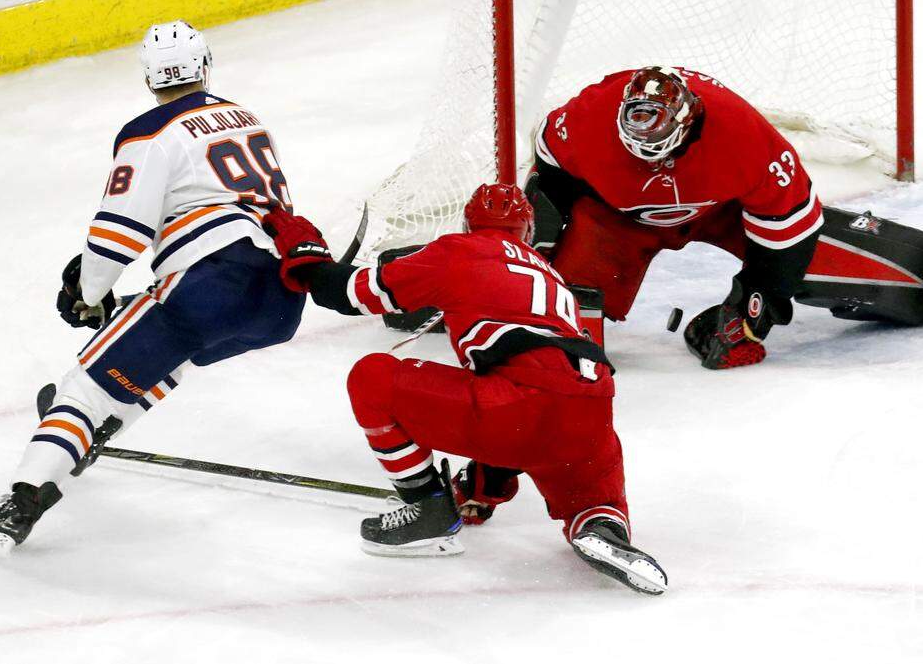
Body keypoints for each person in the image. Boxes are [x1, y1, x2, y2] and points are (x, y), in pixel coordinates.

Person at [0, 20, 305, 554]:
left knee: (82, 387)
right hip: (279, 296)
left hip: (211, 284)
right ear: (206, 65)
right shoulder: (247, 118)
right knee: (170, 343)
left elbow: (119, 234)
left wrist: (89, 294)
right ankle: (103, 425)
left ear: (149, 77)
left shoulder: (149, 133)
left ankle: (14, 509)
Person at [262, 183, 668, 595]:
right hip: (591, 414)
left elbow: (349, 294)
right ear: (527, 232)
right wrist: (483, 488)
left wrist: (306, 255)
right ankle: (601, 524)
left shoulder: (460, 250)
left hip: (519, 402)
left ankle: (427, 508)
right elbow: (535, 400)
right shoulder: (551, 277)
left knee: (373, 378)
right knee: (590, 494)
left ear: (468, 224)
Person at [526, 66, 923, 369]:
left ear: (688, 122)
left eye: (660, 147)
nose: (651, 159)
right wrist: (529, 257)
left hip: (723, 210)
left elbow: (790, 231)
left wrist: (753, 313)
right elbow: (549, 180)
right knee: (545, 325)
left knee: (819, 258)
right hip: (617, 217)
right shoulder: (586, 117)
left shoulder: (745, 137)